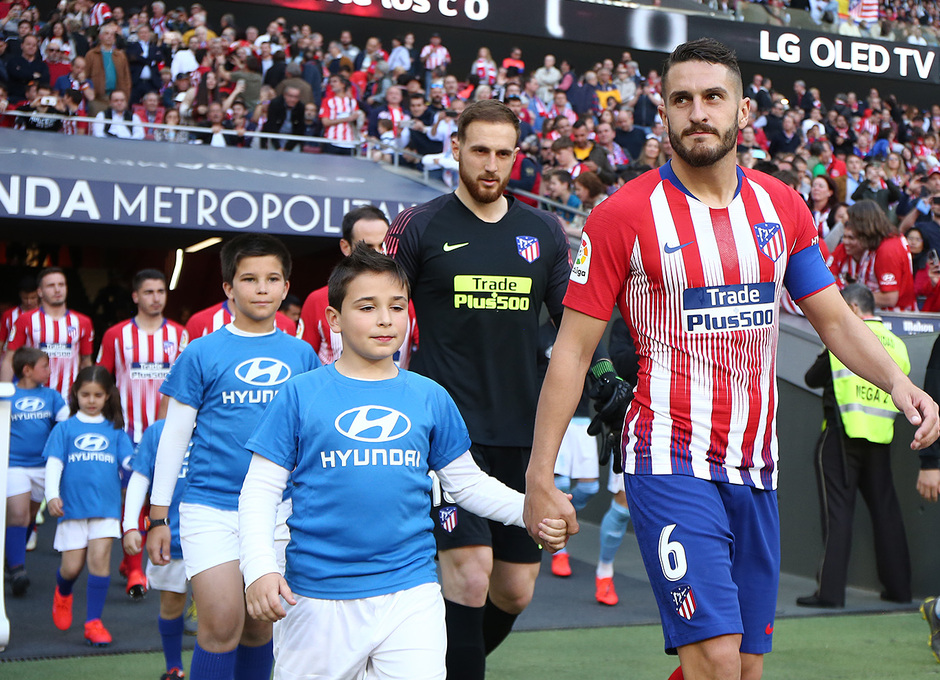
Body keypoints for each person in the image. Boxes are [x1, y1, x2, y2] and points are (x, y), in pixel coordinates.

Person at [523, 38, 938, 680]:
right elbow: (572, 352)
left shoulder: (782, 206)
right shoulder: (622, 216)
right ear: (662, 112)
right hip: (666, 455)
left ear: (743, 112)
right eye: (681, 99)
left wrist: (898, 382)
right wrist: (540, 475)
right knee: (716, 658)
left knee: (742, 667)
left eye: (713, 97)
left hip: (755, 463)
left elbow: (832, 318)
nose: (698, 112)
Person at [238, 245, 567, 680]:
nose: (385, 319)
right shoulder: (300, 394)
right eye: (367, 307)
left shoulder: (429, 395)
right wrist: (259, 569)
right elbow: (259, 491)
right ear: (333, 320)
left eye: (396, 306)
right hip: (316, 597)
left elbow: (466, 484)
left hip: (411, 594)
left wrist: (532, 510)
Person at [385, 99, 571, 680]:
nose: (491, 164)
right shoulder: (418, 224)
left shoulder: (543, 230)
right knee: (468, 576)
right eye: (480, 150)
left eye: (503, 153)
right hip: (445, 437)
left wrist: (610, 380)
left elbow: (574, 328)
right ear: (457, 150)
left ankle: (431, 668)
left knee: (514, 590)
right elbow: (375, 306)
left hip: (523, 437)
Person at [146, 234, 320, 680]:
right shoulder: (201, 352)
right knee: (221, 624)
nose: (261, 288)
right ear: (228, 288)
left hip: (278, 511)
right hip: (211, 508)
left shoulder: (303, 355)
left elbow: (311, 439)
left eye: (272, 279)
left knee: (260, 628)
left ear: (285, 287)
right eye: (249, 279)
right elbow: (173, 438)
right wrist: (158, 518)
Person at [797, 284, 912, 609]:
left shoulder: (844, 339)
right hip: (880, 437)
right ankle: (899, 589)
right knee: (886, 513)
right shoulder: (898, 345)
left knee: (838, 515)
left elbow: (812, 378)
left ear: (851, 308)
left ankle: (830, 593)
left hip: (840, 435)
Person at [96, 268, 187, 599]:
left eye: (161, 291)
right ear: (136, 296)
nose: (156, 298)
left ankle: (134, 562)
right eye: (148, 292)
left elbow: (184, 385)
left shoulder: (180, 334)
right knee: (128, 496)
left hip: (166, 432)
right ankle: (134, 566)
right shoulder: (116, 335)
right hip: (128, 430)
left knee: (158, 496)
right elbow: (100, 381)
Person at [45, 365, 135, 647]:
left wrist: (145, 466)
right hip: (72, 508)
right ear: (76, 394)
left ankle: (93, 623)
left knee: (99, 563)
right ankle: (63, 591)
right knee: (71, 568)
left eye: (98, 394)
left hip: (106, 508)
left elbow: (129, 464)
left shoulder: (116, 430)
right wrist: (51, 496)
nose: (92, 400)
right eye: (86, 394)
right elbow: (53, 464)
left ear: (108, 395)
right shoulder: (65, 429)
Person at [300, 205, 416, 367]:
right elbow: (303, 360)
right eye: (367, 247)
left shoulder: (408, 299)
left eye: (382, 245)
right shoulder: (317, 300)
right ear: (345, 247)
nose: (377, 253)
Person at [123, 419, 191, 680]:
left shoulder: (222, 419)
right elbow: (140, 477)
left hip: (221, 536)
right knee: (172, 602)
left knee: (217, 608)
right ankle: (174, 668)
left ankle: (219, 668)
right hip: (170, 536)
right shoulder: (159, 431)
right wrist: (130, 525)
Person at [5, 347, 69, 596]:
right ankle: (18, 569)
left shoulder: (53, 396)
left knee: (30, 516)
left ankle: (10, 559)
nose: (49, 370)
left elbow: (65, 425)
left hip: (43, 467)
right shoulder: (7, 394)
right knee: (19, 515)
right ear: (27, 370)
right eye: (44, 366)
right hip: (14, 464)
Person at [1, 267, 94, 401]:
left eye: (61, 284)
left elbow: (86, 362)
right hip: (31, 398)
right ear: (40, 291)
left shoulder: (83, 322)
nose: (57, 289)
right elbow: (9, 359)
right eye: (51, 285)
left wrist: (87, 395)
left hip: (69, 400)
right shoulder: (25, 320)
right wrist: (4, 396)